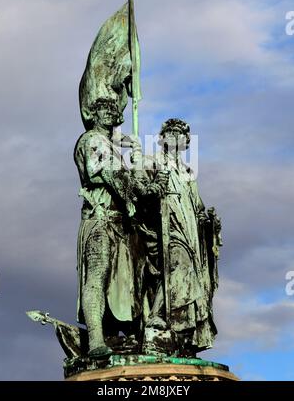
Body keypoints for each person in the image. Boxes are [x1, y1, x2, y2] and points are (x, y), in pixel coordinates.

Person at [139, 118, 221, 354]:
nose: (176, 137)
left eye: (181, 134)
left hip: (190, 233)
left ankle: (180, 334)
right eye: (171, 133)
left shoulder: (187, 173)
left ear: (186, 142)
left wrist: (207, 222)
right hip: (166, 229)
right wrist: (154, 190)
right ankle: (156, 320)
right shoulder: (152, 163)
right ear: (162, 138)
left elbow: (197, 207)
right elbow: (139, 195)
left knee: (189, 277)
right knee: (178, 267)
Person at [74, 97, 145, 357]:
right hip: (99, 219)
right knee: (98, 275)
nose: (107, 113)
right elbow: (114, 178)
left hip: (118, 223)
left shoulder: (110, 146)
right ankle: (95, 339)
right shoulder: (92, 140)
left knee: (125, 283)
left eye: (112, 110)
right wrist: (135, 169)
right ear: (93, 114)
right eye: (102, 110)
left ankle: (118, 332)